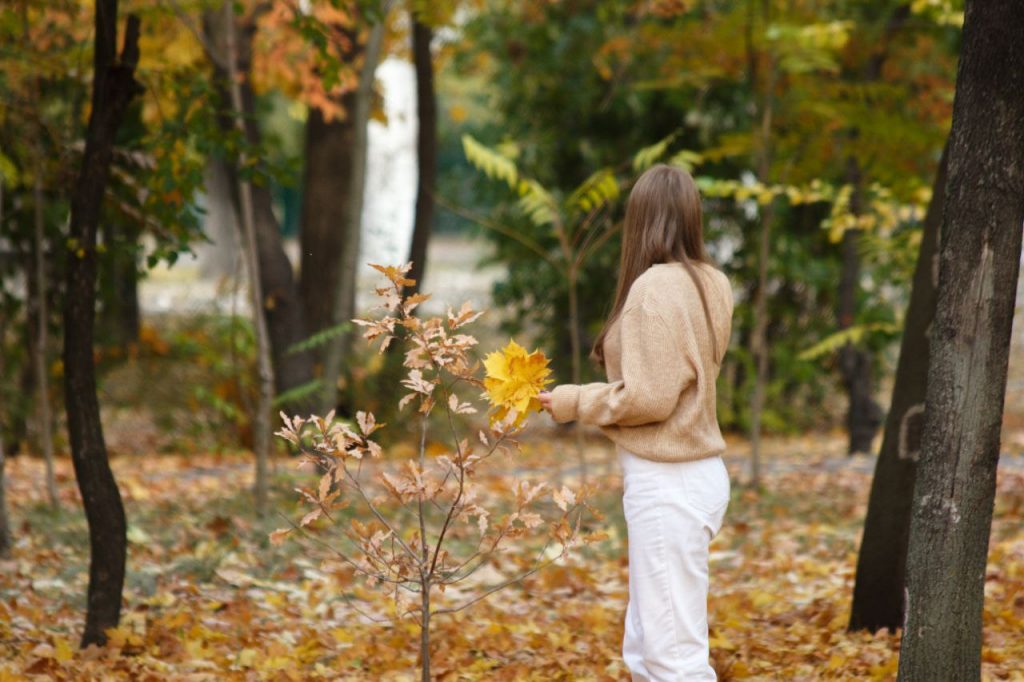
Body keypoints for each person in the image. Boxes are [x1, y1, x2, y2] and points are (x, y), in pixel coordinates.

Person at [538, 163, 734, 681]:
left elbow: (649, 399)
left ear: (640, 219)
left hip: (669, 479)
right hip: (697, 474)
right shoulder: (714, 282)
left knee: (673, 658)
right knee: (648, 649)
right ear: (691, 214)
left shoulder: (652, 288)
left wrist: (573, 401)